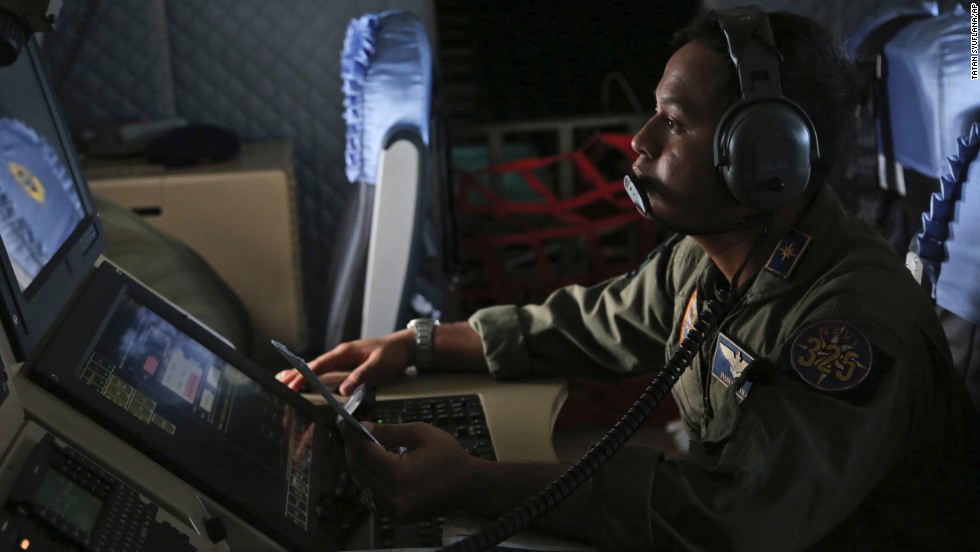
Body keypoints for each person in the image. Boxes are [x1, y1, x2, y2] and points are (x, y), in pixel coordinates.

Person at [278, 7, 979, 551]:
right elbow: (595, 321)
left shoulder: (849, 322)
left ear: (767, 159)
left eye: (673, 123)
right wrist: (418, 344)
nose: (640, 140)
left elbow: (730, 521)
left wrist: (471, 482)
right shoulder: (710, 255)